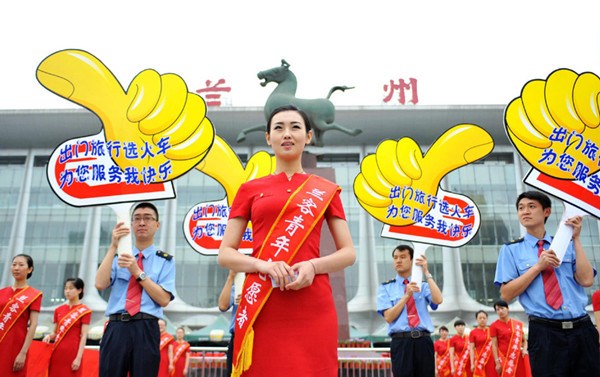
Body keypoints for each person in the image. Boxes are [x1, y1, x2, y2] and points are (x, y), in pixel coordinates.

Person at [217, 104, 356, 377]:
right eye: (278, 128)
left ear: (309, 136)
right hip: (264, 300)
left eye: (295, 127)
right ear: (268, 137)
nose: (287, 134)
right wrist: (263, 265)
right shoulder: (249, 189)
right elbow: (225, 254)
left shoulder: (326, 191)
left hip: (313, 302)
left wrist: (313, 266)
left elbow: (348, 253)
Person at [494, 191, 599, 376]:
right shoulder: (511, 250)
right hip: (545, 333)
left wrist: (576, 239)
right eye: (521, 208)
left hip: (582, 329)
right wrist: (538, 267)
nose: (525, 211)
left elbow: (587, 280)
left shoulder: (565, 242)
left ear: (547, 212)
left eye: (532, 206)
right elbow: (506, 294)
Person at [95, 202, 176, 377]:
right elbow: (100, 284)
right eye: (137, 218)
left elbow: (164, 299)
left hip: (146, 327)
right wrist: (113, 246)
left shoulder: (165, 261)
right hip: (117, 326)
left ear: (157, 225)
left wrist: (137, 272)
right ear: (131, 224)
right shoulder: (119, 256)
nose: (141, 223)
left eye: (147, 218)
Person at [377, 244, 443, 377]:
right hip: (401, 342)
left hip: (423, 341)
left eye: (403, 257)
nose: (398, 261)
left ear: (412, 260)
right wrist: (406, 296)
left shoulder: (423, 286)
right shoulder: (385, 288)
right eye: (395, 258)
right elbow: (388, 317)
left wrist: (426, 272)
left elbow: (438, 300)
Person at [0, 254, 42, 377]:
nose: (16, 268)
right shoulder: (2, 292)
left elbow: (33, 324)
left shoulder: (34, 294)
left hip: (16, 346)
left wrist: (23, 353)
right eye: (14, 264)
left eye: (21, 265)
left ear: (30, 269)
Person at [43, 277, 91, 377]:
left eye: (71, 288)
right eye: (65, 288)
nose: (67, 291)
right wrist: (49, 336)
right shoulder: (58, 310)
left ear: (79, 290)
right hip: (57, 353)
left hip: (73, 354)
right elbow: (55, 332)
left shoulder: (85, 311)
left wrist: (78, 358)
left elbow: (83, 336)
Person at [489, 300, 531, 377]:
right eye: (497, 309)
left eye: (502, 308)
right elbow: (494, 345)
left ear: (507, 309)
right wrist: (497, 362)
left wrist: (524, 350)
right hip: (503, 358)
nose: (500, 311)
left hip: (517, 357)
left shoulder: (517, 324)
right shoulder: (494, 326)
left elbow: (524, 341)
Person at [218, 269, 240, 376]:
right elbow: (222, 306)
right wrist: (231, 277)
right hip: (238, 337)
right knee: (232, 372)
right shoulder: (238, 287)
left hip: (259, 336)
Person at [469, 310, 497, 377]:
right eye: (480, 318)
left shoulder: (491, 330)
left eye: (484, 318)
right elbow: (471, 349)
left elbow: (496, 345)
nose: (482, 320)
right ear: (476, 319)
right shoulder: (473, 332)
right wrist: (472, 363)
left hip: (492, 360)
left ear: (487, 319)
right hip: (479, 360)